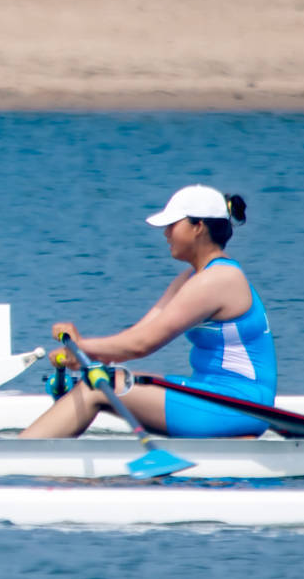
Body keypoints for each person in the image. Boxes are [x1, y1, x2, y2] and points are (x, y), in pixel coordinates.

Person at [18, 186, 272, 439]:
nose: (166, 233)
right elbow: (138, 333)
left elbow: (141, 345)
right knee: (107, 378)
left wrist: (85, 347)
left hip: (239, 404)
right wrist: (85, 350)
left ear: (198, 227)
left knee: (95, 387)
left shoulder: (218, 279)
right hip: (215, 396)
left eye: (172, 224)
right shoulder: (192, 278)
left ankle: (21, 457)